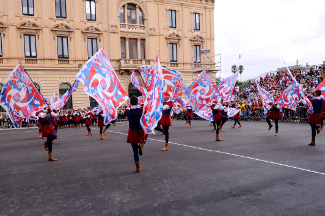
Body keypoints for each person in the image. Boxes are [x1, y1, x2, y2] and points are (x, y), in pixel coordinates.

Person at [125, 96, 145, 173]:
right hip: (140, 129)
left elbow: (126, 114)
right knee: (142, 140)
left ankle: (138, 167)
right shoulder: (141, 110)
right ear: (137, 102)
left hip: (132, 130)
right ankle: (141, 144)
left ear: (130, 103)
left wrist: (128, 107)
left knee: (134, 151)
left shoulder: (128, 111)